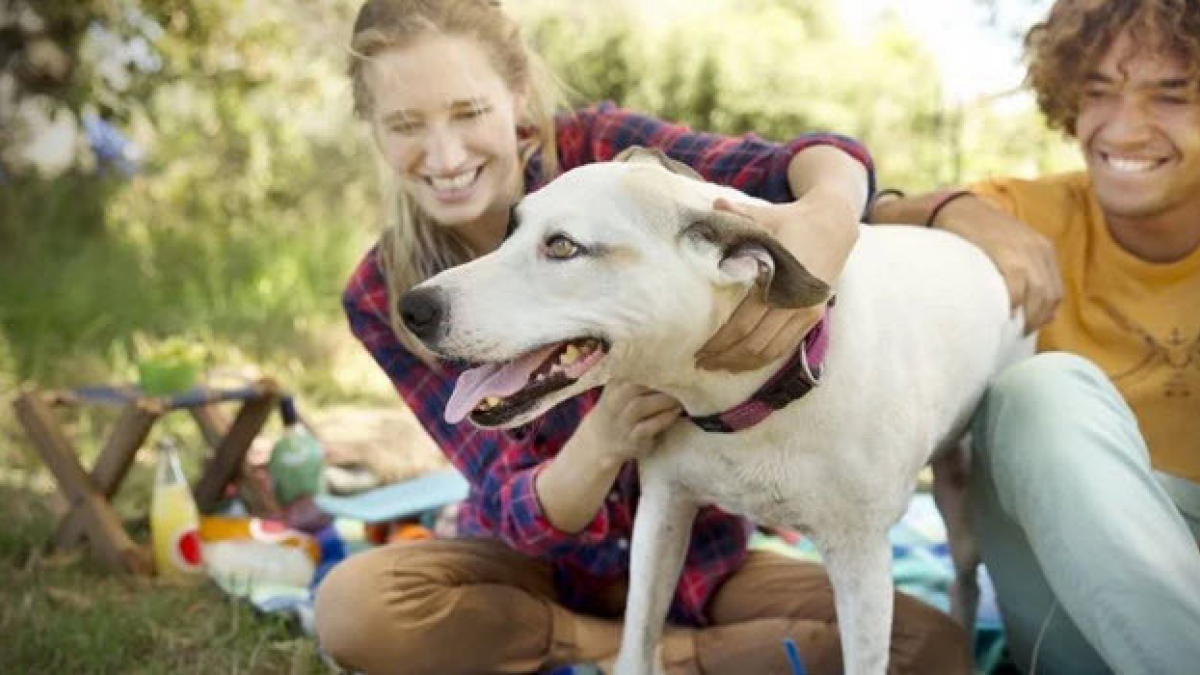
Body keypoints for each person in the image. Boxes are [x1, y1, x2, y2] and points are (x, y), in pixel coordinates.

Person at [313, 1, 972, 673]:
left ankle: (650, 650)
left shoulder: (606, 162)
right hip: (531, 576)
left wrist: (829, 225)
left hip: (702, 572)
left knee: (928, 647)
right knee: (353, 606)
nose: (446, 155)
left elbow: (812, 160)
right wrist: (604, 438)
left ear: (516, 95)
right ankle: (620, 648)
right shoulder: (389, 295)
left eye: (469, 112)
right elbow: (505, 501)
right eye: (405, 125)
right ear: (374, 130)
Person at [869, 1, 1200, 672]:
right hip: (1067, 594)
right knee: (1037, 389)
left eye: (1172, 96)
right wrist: (947, 207)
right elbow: (864, 235)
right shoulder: (1026, 213)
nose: (1124, 129)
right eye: (1098, 92)